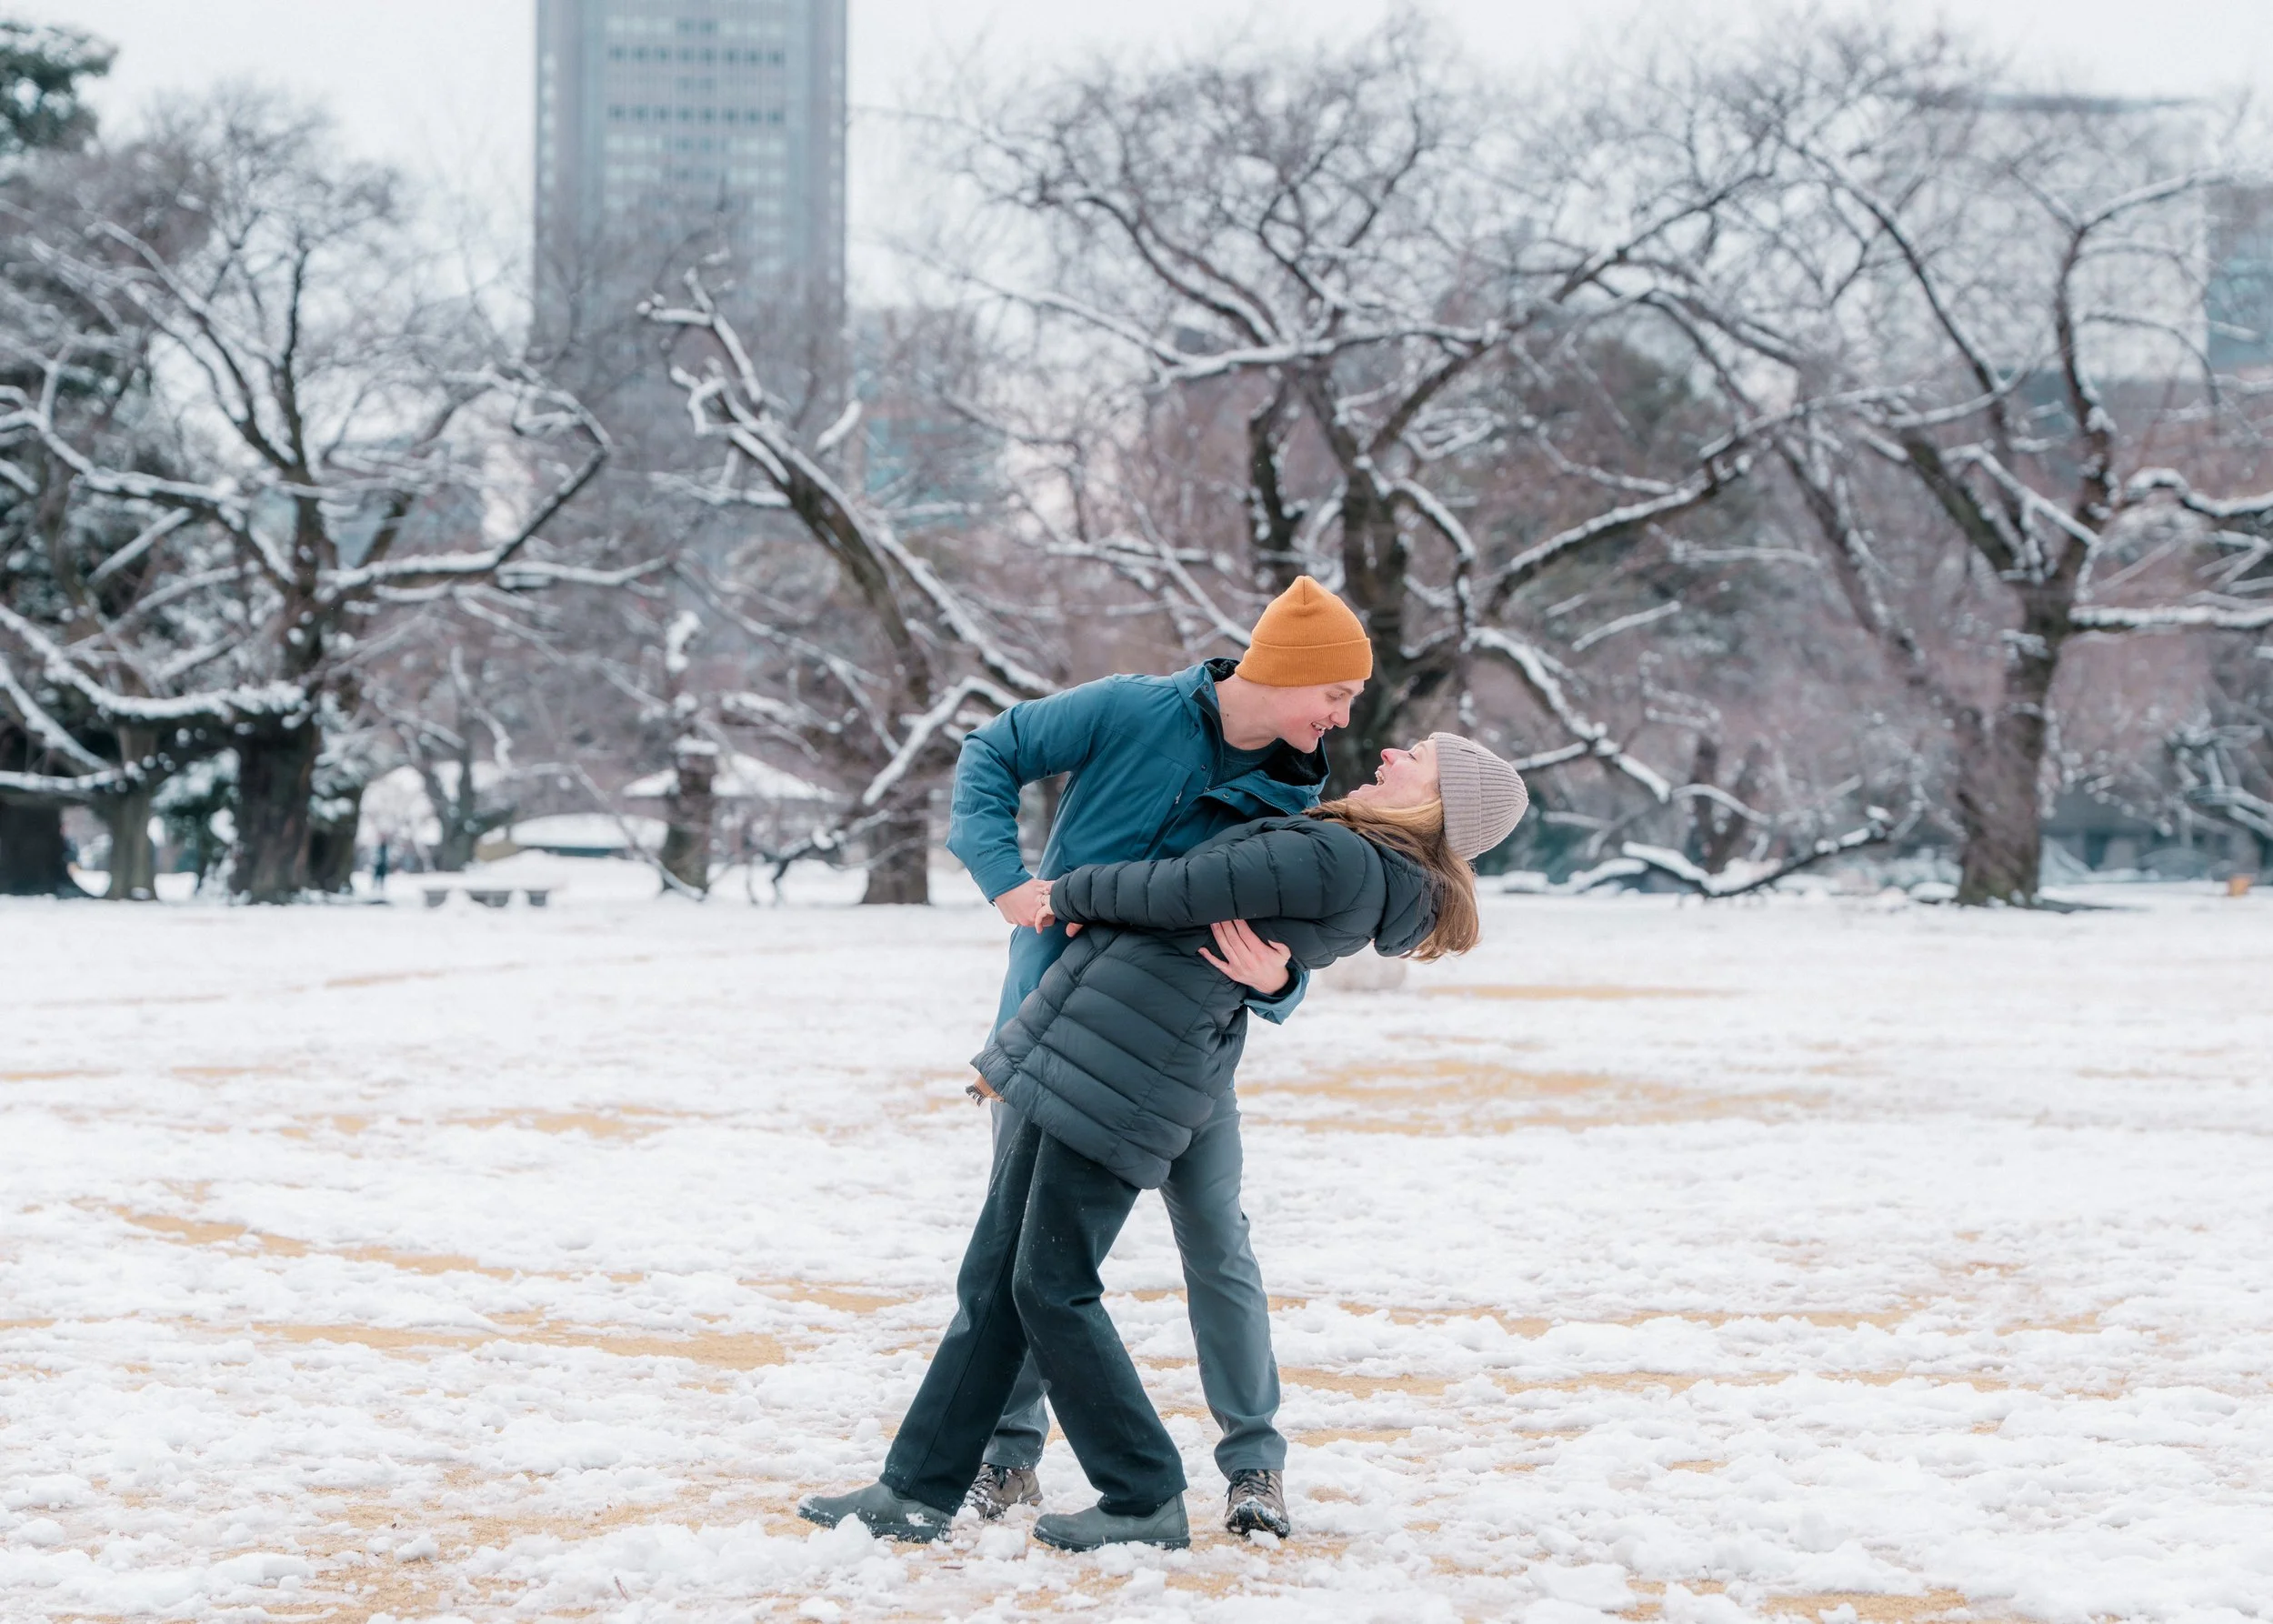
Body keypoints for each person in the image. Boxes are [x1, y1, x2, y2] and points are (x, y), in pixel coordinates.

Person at [798, 732, 1527, 1550]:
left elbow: (1182, 889)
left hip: (1133, 1064)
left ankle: (1143, 1493)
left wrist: (1061, 893)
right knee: (999, 1276)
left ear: (1437, 805)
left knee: (1049, 1283)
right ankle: (918, 1490)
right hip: (1097, 1041)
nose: (1391, 750)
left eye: (1418, 758)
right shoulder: (1348, 850)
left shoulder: (1346, 859)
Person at [939, 576, 1372, 1539]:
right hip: (1054, 1032)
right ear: (1286, 672)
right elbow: (991, 750)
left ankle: (1254, 1465)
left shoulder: (1302, 792)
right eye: (1335, 693)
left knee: (1216, 1239)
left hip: (1186, 1055)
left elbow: (1300, 932)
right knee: (1022, 1254)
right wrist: (1006, 881)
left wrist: (1280, 986)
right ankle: (1008, 1463)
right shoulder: (1129, 710)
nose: (1345, 716)